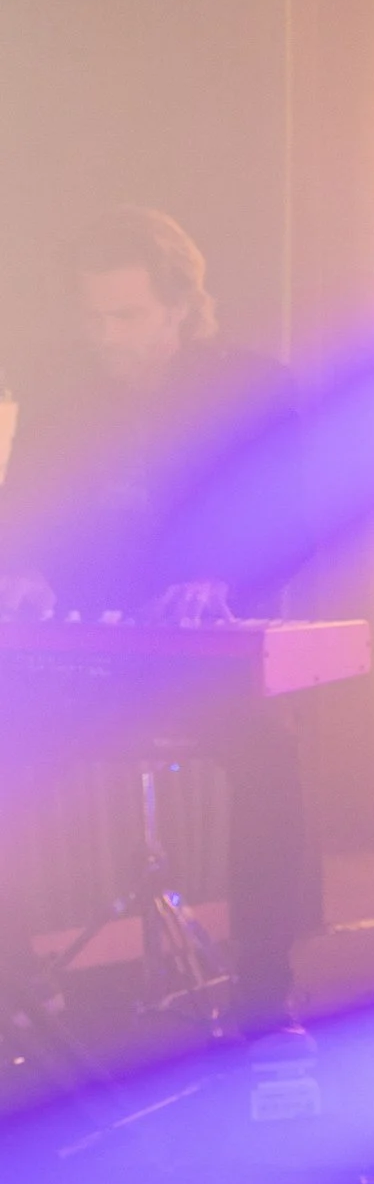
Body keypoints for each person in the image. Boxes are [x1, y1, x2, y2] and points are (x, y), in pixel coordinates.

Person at [0, 209, 316, 1028]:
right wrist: (25, 570)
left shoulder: (249, 389)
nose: (106, 335)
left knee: (269, 761)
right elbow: (25, 511)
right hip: (88, 660)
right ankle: (18, 985)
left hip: (199, 660)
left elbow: (290, 522)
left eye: (127, 315)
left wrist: (224, 579)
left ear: (180, 307)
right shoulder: (63, 393)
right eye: (93, 315)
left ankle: (262, 988)